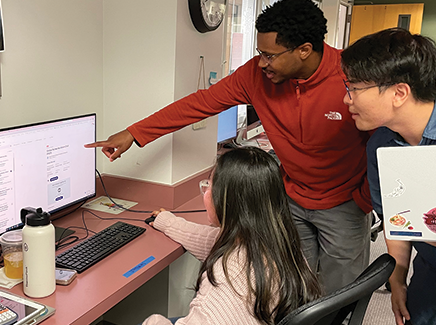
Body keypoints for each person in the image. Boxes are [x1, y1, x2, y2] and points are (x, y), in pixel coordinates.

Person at [87, 0, 372, 293]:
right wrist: (134, 134)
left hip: (344, 204)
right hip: (292, 199)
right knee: (292, 287)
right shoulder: (255, 76)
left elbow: (384, 140)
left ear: (304, 50)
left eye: (270, 55)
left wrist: (364, 198)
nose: (262, 63)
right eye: (260, 53)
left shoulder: (353, 76)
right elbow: (200, 104)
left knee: (341, 292)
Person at [142, 147, 322, 325]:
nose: (205, 193)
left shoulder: (226, 281)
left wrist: (153, 321)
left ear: (226, 200)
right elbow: (211, 239)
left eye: (209, 186)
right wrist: (168, 223)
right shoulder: (278, 242)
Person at [341, 28, 436, 325]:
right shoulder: (381, 145)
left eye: (354, 88)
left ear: (398, 93)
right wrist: (397, 278)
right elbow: (398, 222)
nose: (347, 100)